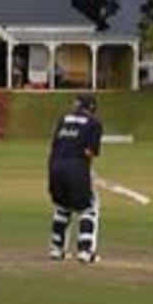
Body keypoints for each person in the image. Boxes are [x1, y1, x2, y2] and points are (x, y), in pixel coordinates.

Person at [47, 93, 104, 264]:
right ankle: (85, 252)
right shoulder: (94, 124)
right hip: (76, 168)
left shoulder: (63, 120)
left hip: (55, 166)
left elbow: (56, 145)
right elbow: (89, 152)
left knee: (62, 207)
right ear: (92, 108)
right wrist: (87, 171)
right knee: (88, 208)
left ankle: (57, 250)